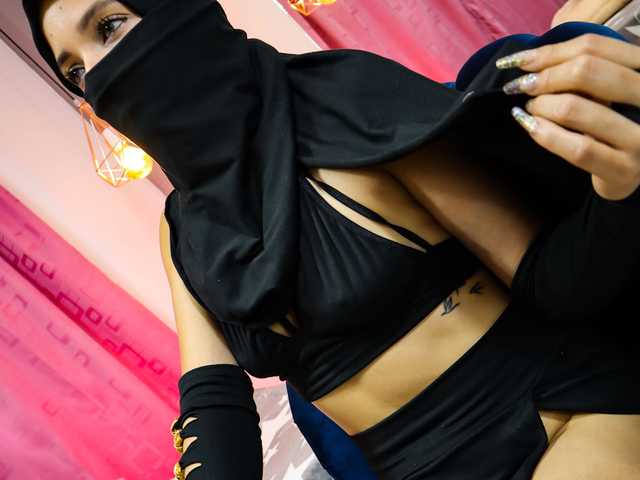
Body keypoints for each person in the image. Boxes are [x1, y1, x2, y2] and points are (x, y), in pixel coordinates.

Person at [23, 0, 640, 478]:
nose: (98, 73)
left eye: (109, 27)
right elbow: (214, 407)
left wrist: (622, 194)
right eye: (75, 69)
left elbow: (546, 278)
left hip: (556, 415)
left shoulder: (344, 101)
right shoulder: (182, 229)